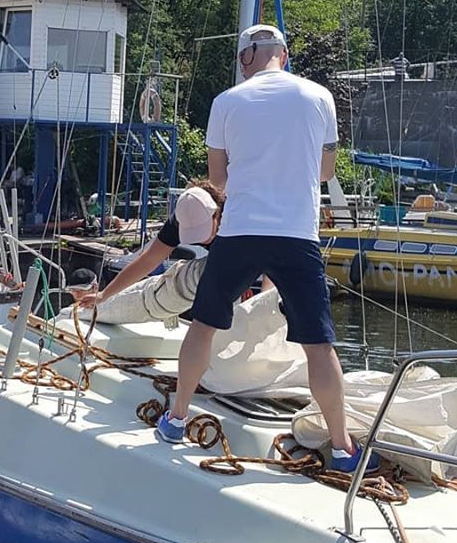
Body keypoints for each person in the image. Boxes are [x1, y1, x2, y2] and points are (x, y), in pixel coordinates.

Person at [157, 25, 377, 476]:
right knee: (319, 344)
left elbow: (218, 180)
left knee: (203, 325)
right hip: (297, 235)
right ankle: (342, 447)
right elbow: (325, 171)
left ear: (246, 57)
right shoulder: (320, 97)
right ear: (284, 55)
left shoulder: (226, 102)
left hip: (241, 231)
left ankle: (176, 419)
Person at [75, 183, 230, 310]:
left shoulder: (235, 218)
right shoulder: (177, 222)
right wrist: (104, 295)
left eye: (201, 231)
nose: (202, 240)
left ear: (216, 214)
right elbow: (148, 260)